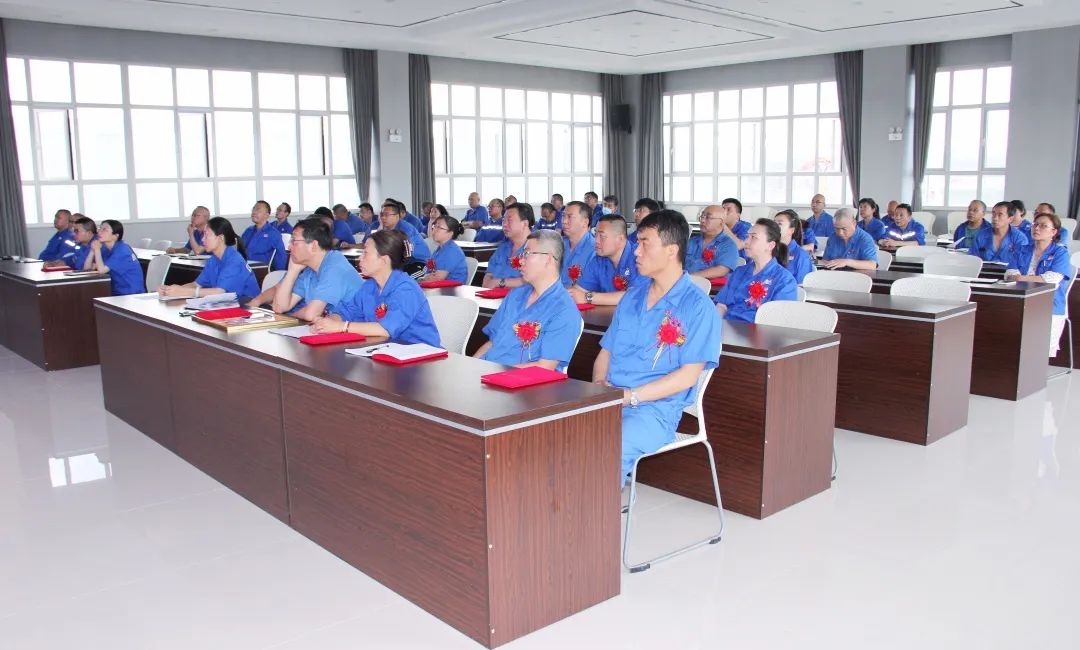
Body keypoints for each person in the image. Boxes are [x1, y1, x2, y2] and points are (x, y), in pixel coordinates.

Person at [592, 209, 721, 484]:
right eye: (636, 243)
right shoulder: (632, 297)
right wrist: (600, 384)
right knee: (558, 436)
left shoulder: (697, 307)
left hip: (654, 411)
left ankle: (594, 507)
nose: (636, 252)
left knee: (606, 447)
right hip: (610, 399)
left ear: (671, 250)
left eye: (644, 243)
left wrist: (630, 397)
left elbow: (687, 377)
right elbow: (606, 351)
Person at [310, 230, 441, 347]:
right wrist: (328, 322)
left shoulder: (406, 289)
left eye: (365, 253)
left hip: (421, 354)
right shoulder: (369, 286)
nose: (360, 258)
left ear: (384, 260)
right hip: (385, 349)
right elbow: (346, 312)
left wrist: (341, 327)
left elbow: (385, 329)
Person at [474, 230, 582, 370]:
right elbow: (492, 343)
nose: (520, 261)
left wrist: (493, 374)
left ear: (548, 259)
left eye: (526, 254)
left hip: (516, 379)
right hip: (488, 370)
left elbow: (545, 367)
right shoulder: (515, 295)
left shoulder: (564, 310)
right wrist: (472, 366)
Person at [252, 218, 363, 320]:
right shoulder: (310, 270)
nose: (289, 247)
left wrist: (290, 318)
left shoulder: (334, 266)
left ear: (313, 245)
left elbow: (311, 314)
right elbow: (279, 307)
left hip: (357, 329)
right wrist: (292, 271)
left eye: (294, 241)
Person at [1006, 212, 1072, 357]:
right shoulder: (1022, 249)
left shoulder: (1060, 253)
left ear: (1053, 232)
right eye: (1035, 224)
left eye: (1043, 226)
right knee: (1014, 347)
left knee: (1041, 351)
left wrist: (1022, 278)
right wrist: (1022, 278)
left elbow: (1052, 279)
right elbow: (1010, 273)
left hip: (1050, 305)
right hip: (1020, 301)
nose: (1036, 228)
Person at [715, 219, 798, 322]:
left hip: (759, 330)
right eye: (747, 236)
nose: (746, 241)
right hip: (728, 326)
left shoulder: (785, 280)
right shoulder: (739, 272)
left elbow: (778, 320)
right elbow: (722, 305)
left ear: (770, 245)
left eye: (753, 237)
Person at [158, 217, 260, 300]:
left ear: (220, 238)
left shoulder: (234, 260)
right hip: (227, 305)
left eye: (206, 236)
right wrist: (171, 290)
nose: (202, 240)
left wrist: (185, 292)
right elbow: (196, 284)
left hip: (247, 307)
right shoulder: (213, 260)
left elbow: (220, 292)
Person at [569, 214, 639, 306]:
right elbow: (578, 290)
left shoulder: (639, 257)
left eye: (602, 236)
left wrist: (588, 297)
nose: (596, 241)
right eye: (595, 235)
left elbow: (635, 296)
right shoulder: (599, 260)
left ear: (620, 239)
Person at [481, 202, 534, 289]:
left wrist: (499, 283)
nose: (504, 224)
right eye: (503, 220)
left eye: (509, 220)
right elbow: (489, 274)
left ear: (525, 224)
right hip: (494, 295)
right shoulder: (503, 248)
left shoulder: (537, 249)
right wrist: (487, 286)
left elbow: (532, 280)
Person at [90, 220, 144, 296]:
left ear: (115, 235)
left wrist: (96, 250)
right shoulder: (106, 248)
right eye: (100, 228)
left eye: (104, 230)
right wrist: (92, 250)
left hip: (130, 293)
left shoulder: (122, 250)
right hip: (117, 291)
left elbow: (101, 270)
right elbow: (89, 267)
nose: (99, 232)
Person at [685, 204, 739, 279]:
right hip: (685, 283)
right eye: (702, 216)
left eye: (708, 217)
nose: (702, 220)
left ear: (721, 222)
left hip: (711, 286)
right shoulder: (692, 241)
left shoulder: (729, 245)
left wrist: (689, 277)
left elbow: (721, 270)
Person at [368, 201, 430, 266]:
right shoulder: (385, 227)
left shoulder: (406, 229)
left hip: (418, 262)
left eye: (386, 215)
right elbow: (375, 244)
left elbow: (407, 253)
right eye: (381, 214)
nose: (383, 217)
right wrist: (380, 225)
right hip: (400, 261)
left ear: (397, 216)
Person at [421, 215, 469, 284]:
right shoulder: (440, 249)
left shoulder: (451, 251)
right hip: (437, 288)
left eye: (439, 227)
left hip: (450, 289)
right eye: (435, 226)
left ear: (450, 233)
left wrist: (418, 281)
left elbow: (436, 278)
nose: (434, 230)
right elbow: (429, 272)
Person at [241, 200, 288, 270]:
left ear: (267, 215)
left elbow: (281, 257)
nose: (254, 212)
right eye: (253, 209)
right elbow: (240, 250)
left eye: (258, 210)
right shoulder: (248, 231)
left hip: (260, 270)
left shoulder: (273, 234)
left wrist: (278, 274)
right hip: (244, 268)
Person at [560, 201, 596, 287]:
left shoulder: (595, 249)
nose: (564, 221)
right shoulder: (559, 244)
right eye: (563, 216)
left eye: (570, 217)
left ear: (585, 222)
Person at [983, 201, 1029, 266]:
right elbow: (973, 258)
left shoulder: (1020, 238)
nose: (995, 218)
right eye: (993, 214)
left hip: (1010, 271)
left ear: (1010, 219)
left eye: (1000, 215)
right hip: (983, 271)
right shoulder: (981, 235)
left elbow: (1021, 264)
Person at [774, 210, 814, 283]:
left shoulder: (801, 256)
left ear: (792, 230)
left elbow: (801, 286)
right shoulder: (768, 251)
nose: (773, 227)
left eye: (779, 223)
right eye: (773, 223)